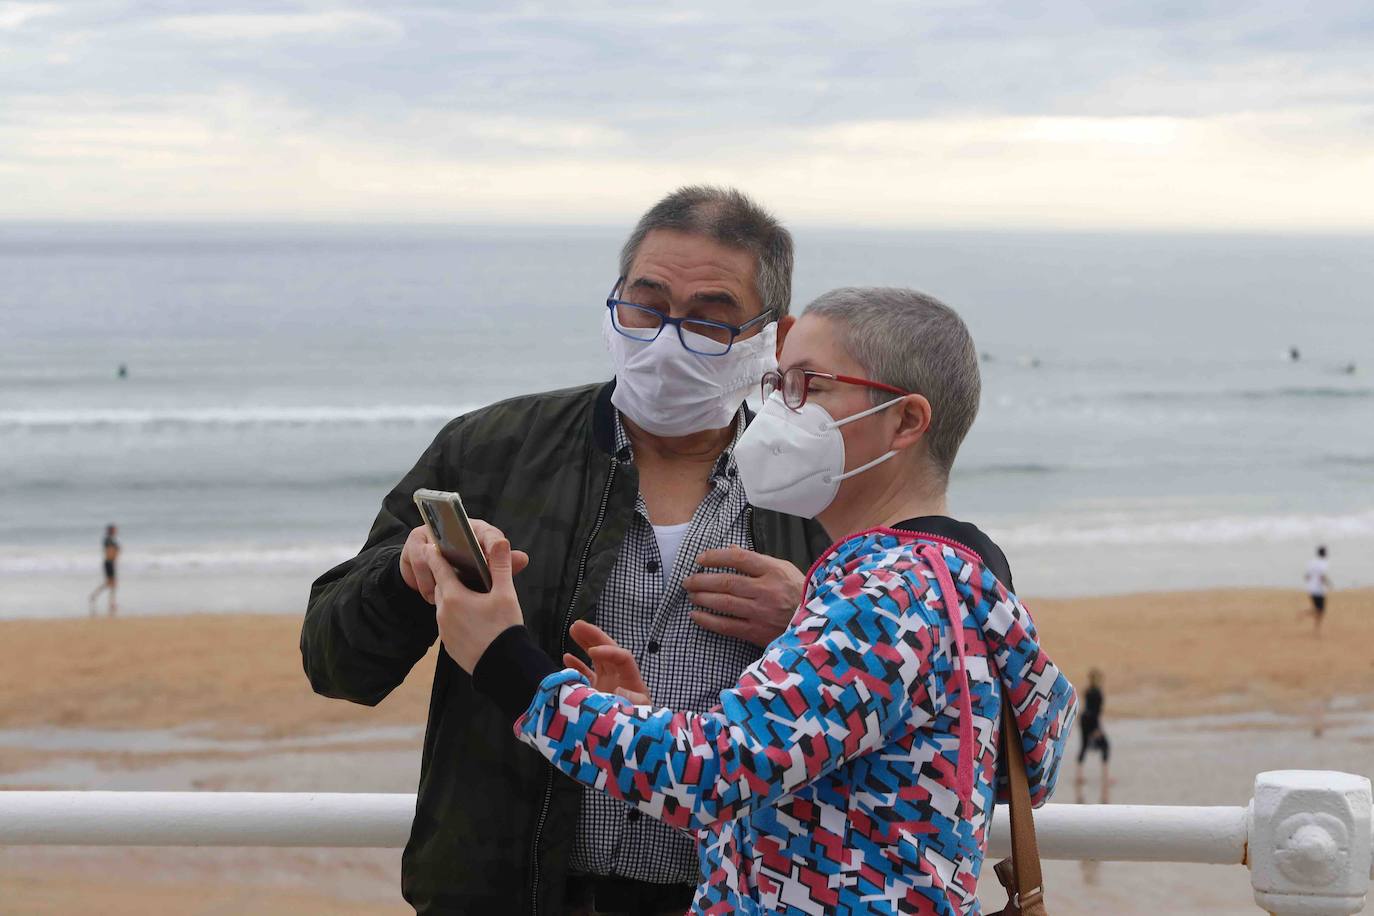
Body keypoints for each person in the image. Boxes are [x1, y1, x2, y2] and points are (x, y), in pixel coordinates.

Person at [433, 287, 1078, 914]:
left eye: (809, 387)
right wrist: (639, 720)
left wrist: (503, 660)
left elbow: (708, 776)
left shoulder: (888, 597)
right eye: (777, 385)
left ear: (905, 421)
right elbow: (835, 815)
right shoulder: (956, 586)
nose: (778, 411)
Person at [300, 186, 833, 914]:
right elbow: (335, 665)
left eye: (709, 319)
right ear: (614, 298)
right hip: (503, 896)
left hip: (733, 898)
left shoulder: (817, 495)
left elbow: (904, 706)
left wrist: (810, 622)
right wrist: (405, 574)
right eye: (645, 306)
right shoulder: (491, 453)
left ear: (774, 334)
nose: (667, 338)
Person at [1074, 668, 1110, 803]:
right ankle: (1105, 777)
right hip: (1092, 721)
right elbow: (1097, 712)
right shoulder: (1098, 693)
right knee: (1105, 746)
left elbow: (1088, 709)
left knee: (1083, 745)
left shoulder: (1087, 691)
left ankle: (1079, 776)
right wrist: (1097, 728)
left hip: (1084, 719)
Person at [88, 524, 119, 616]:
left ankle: (110, 602)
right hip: (109, 562)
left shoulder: (111, 540)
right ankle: (97, 596)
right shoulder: (108, 540)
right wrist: (112, 558)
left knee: (112, 584)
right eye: (114, 530)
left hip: (111, 562)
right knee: (110, 583)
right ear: (111, 530)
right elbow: (109, 552)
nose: (116, 531)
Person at [1304, 545, 1332, 633]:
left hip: (1311, 589)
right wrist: (1329, 584)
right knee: (1321, 610)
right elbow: (1322, 577)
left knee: (1318, 609)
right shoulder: (1323, 563)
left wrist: (1310, 584)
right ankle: (1316, 628)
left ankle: (1315, 625)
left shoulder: (1311, 562)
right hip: (1319, 590)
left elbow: (1306, 576)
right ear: (1324, 554)